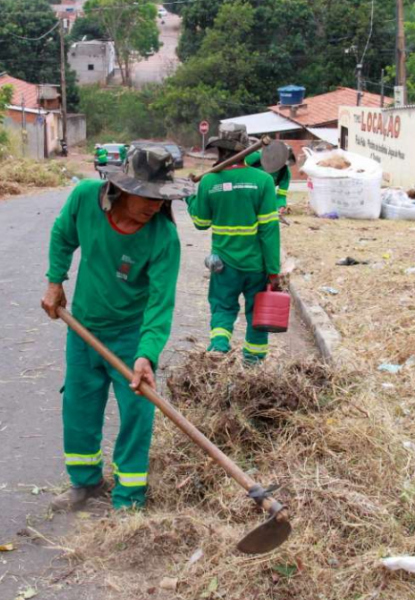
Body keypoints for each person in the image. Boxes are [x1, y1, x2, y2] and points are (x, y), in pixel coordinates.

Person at [42, 145, 190, 512]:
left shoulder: (163, 238)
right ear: (122, 187)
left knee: (137, 414)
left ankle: (128, 500)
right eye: (147, 196)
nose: (155, 206)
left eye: (161, 198)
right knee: (78, 407)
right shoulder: (84, 199)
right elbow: (63, 235)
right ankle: (86, 483)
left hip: (131, 336)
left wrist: (146, 355)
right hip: (84, 330)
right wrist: (54, 281)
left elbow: (160, 305)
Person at [187, 123, 280, 363]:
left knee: (223, 308)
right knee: (256, 314)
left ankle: (218, 347)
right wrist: (273, 270)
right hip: (256, 265)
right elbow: (269, 230)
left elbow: (200, 222)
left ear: (219, 150)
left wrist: (190, 196)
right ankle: (253, 364)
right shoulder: (263, 181)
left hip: (223, 264)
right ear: (246, 150)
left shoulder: (209, 181)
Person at [244, 144, 295, 214]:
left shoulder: (284, 174)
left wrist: (280, 206)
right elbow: (235, 172)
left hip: (264, 196)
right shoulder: (254, 157)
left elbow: (281, 196)